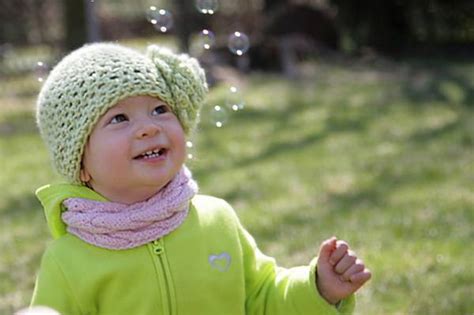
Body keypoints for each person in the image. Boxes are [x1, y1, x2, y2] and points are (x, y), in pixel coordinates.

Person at [31, 43, 371, 315]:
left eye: (160, 109)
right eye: (119, 118)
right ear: (81, 163)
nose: (150, 126)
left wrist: (319, 290)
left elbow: (263, 298)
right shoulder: (68, 261)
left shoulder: (216, 220)